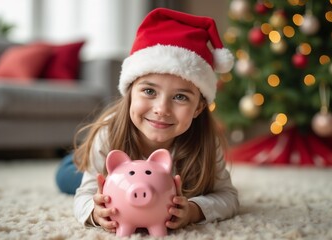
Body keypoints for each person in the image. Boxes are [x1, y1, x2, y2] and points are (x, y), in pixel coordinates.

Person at [56, 7, 239, 233]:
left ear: (199, 107)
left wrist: (194, 209)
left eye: (180, 97)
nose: (161, 109)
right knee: (67, 178)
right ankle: (74, 159)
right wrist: (95, 212)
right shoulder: (109, 133)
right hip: (92, 163)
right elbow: (84, 195)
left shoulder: (207, 142)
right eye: (150, 92)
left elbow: (228, 196)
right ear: (130, 92)